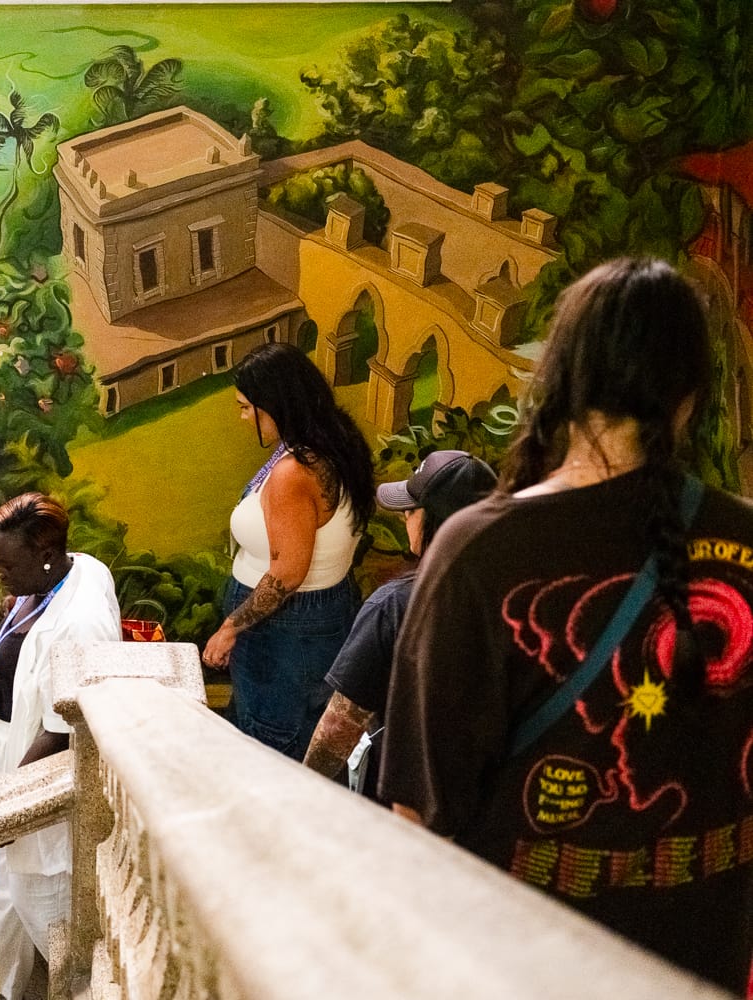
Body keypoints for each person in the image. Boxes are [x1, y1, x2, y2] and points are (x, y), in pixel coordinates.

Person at [380, 258, 753, 992]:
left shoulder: (480, 551)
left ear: (560, 381)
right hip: (701, 963)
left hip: (523, 969)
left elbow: (418, 813)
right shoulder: (746, 539)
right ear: (689, 397)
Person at [203, 341, 374, 759]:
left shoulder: (294, 473)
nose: (243, 417)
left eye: (247, 407)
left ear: (275, 405)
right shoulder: (338, 441)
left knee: (271, 741)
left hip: (284, 629)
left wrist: (230, 628)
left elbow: (288, 572)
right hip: (315, 617)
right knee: (285, 727)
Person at [0, 492, 121, 1000]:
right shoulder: (69, 569)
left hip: (39, 785)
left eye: (6, 565)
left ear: (44, 554)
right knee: (5, 906)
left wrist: (7, 807)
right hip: (12, 760)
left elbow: (62, 734)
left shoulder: (79, 624)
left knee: (50, 919)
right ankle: (4, 991)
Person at [302, 450, 496, 796]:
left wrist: (303, 793)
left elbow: (339, 726)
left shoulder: (394, 606)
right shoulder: (518, 597)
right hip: (485, 789)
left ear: (435, 521)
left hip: (405, 793)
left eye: (411, 509)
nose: (405, 516)